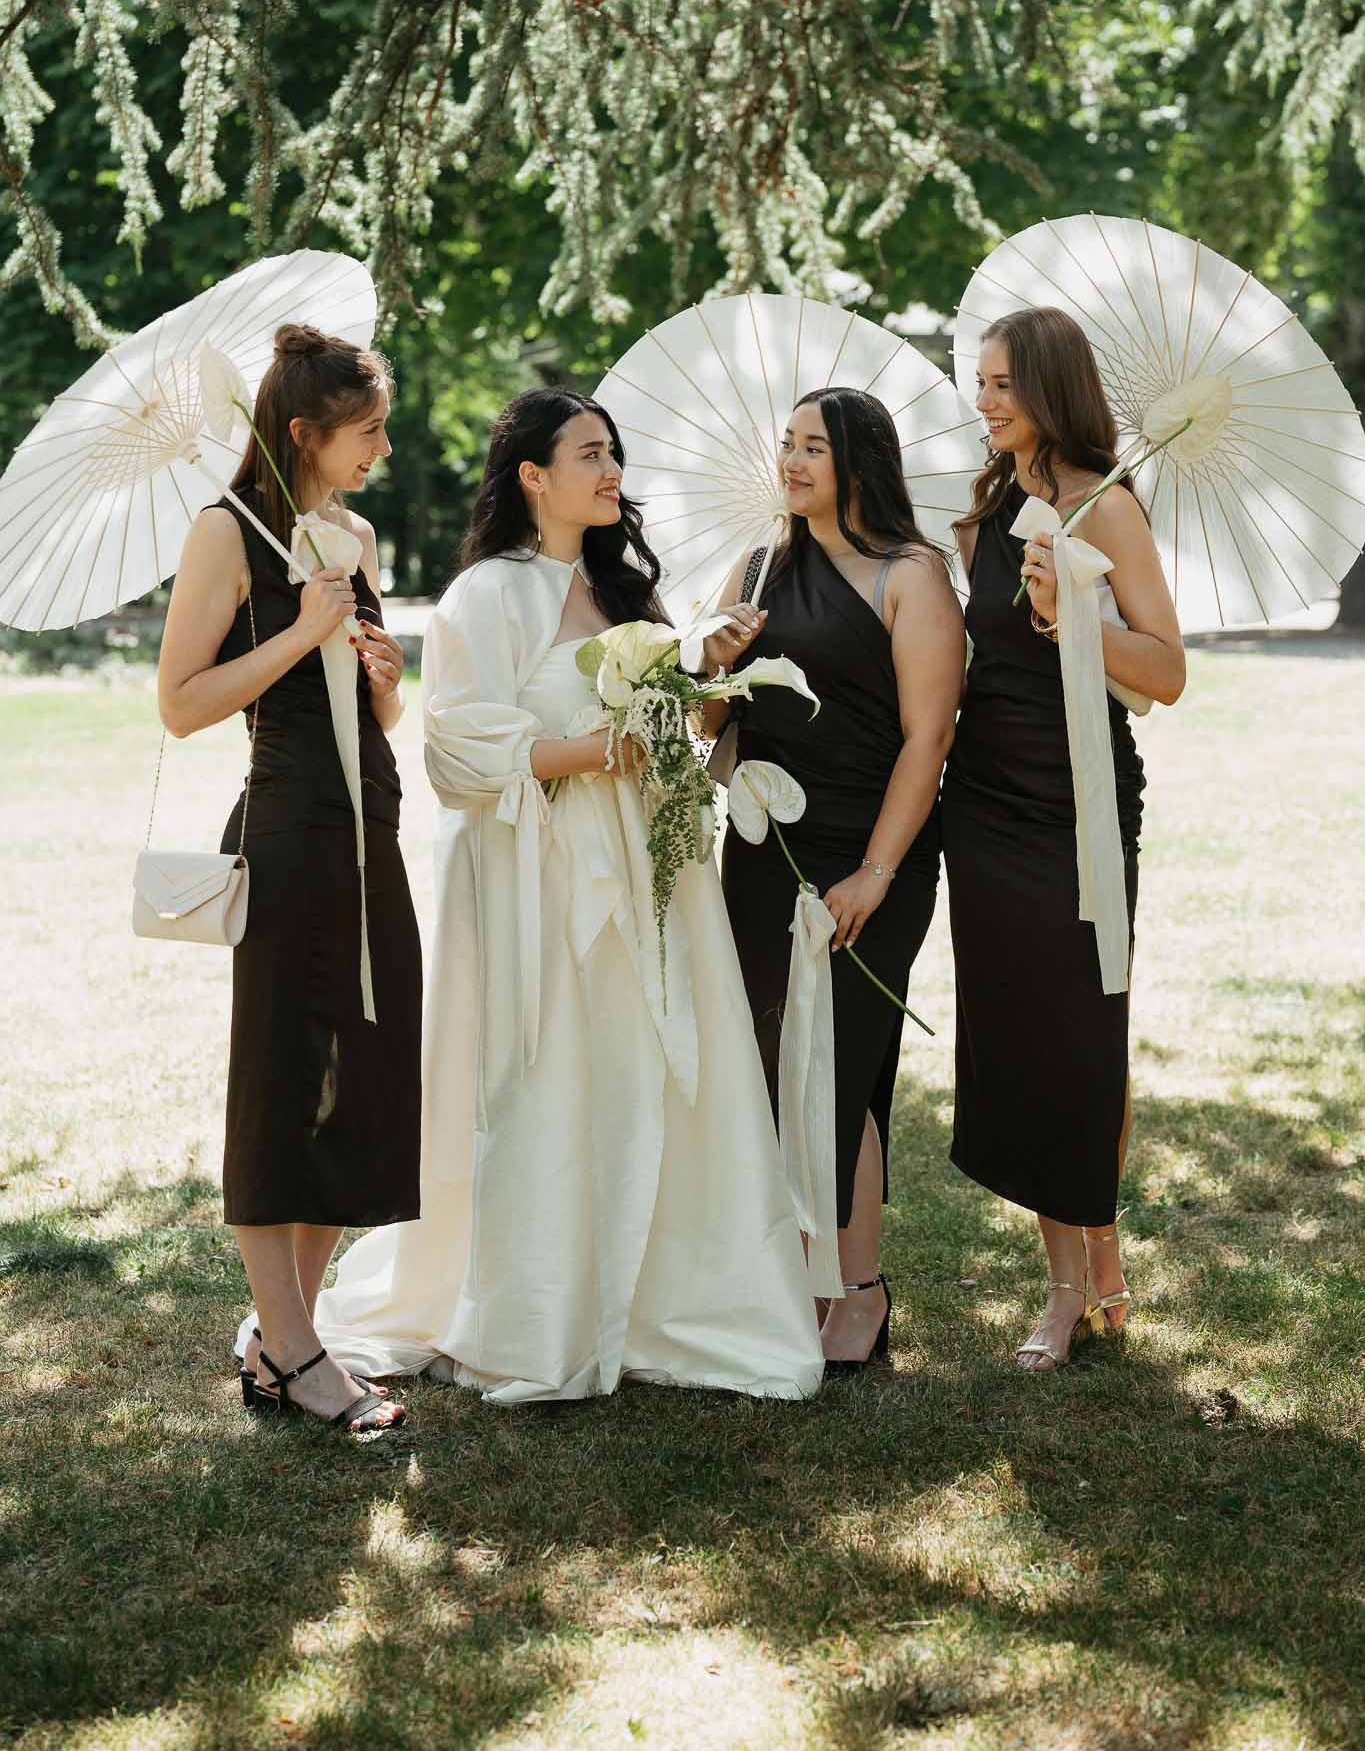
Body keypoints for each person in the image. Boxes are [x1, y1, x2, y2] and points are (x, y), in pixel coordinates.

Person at [309, 386, 824, 1403]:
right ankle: (536, 1296)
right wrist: (598, 747)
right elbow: (458, 747)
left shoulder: (626, 588)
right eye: (588, 454)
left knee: (644, 1065)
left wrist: (698, 673)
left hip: (646, 868)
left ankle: (665, 1290)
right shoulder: (485, 596)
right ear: (532, 475)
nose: (610, 472)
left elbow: (668, 728)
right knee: (544, 1071)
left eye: (614, 454)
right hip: (530, 872)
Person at [160, 323, 419, 1434]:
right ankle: (299, 1349)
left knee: (364, 1067)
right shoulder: (226, 531)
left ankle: (286, 1338)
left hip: (374, 817)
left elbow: (377, 714)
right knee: (282, 1073)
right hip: (285, 823)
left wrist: (383, 673)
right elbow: (181, 700)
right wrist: (298, 629)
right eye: (366, 432)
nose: (382, 450)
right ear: (304, 432)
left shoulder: (354, 532)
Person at [943, 305, 1185, 1372]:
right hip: (983, 799)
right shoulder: (988, 510)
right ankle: (1062, 1278)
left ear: (1049, 387)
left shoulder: (1110, 509)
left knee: (1087, 1025)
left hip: (1078, 800)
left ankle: (1104, 1254)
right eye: (981, 382)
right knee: (1018, 1029)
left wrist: (1070, 614)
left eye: (1001, 382)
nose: (985, 399)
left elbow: (1167, 674)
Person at [713, 389, 965, 1372]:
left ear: (862, 459)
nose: (793, 459)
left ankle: (860, 1290)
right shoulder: (757, 565)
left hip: (873, 852)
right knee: (771, 1058)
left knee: (845, 1064)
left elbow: (929, 734)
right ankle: (786, 1276)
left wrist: (875, 870)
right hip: (762, 846)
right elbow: (712, 732)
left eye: (813, 445)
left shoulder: (912, 574)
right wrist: (716, 665)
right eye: (786, 442)